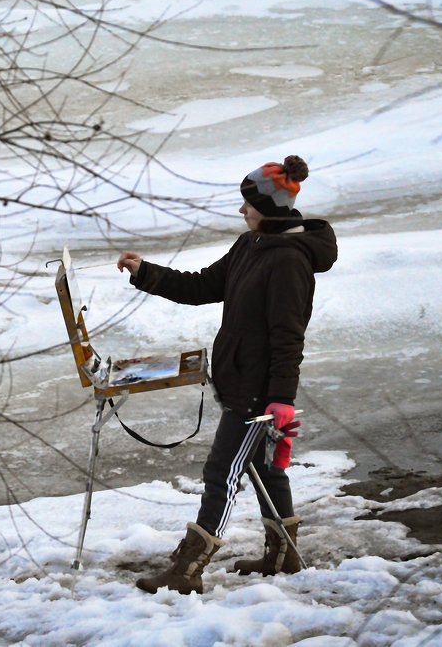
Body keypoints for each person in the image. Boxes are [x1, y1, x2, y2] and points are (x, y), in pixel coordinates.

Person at [116, 156, 337, 594]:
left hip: (260, 393)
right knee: (264, 467)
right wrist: (146, 273)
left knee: (222, 472)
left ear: (268, 209)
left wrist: (280, 400)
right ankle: (283, 554)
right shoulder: (251, 245)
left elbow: (288, 337)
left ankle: (187, 570)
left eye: (247, 204)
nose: (241, 211)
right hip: (242, 380)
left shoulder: (289, 262)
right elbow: (202, 286)